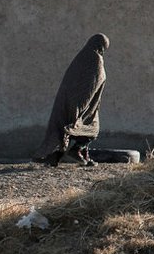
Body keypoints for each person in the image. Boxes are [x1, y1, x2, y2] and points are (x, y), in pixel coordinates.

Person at [33, 33, 109, 167]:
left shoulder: (80, 57)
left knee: (62, 130)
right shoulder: (95, 59)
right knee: (92, 129)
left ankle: (57, 157)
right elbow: (93, 83)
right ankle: (76, 150)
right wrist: (82, 106)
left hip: (67, 101)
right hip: (83, 104)